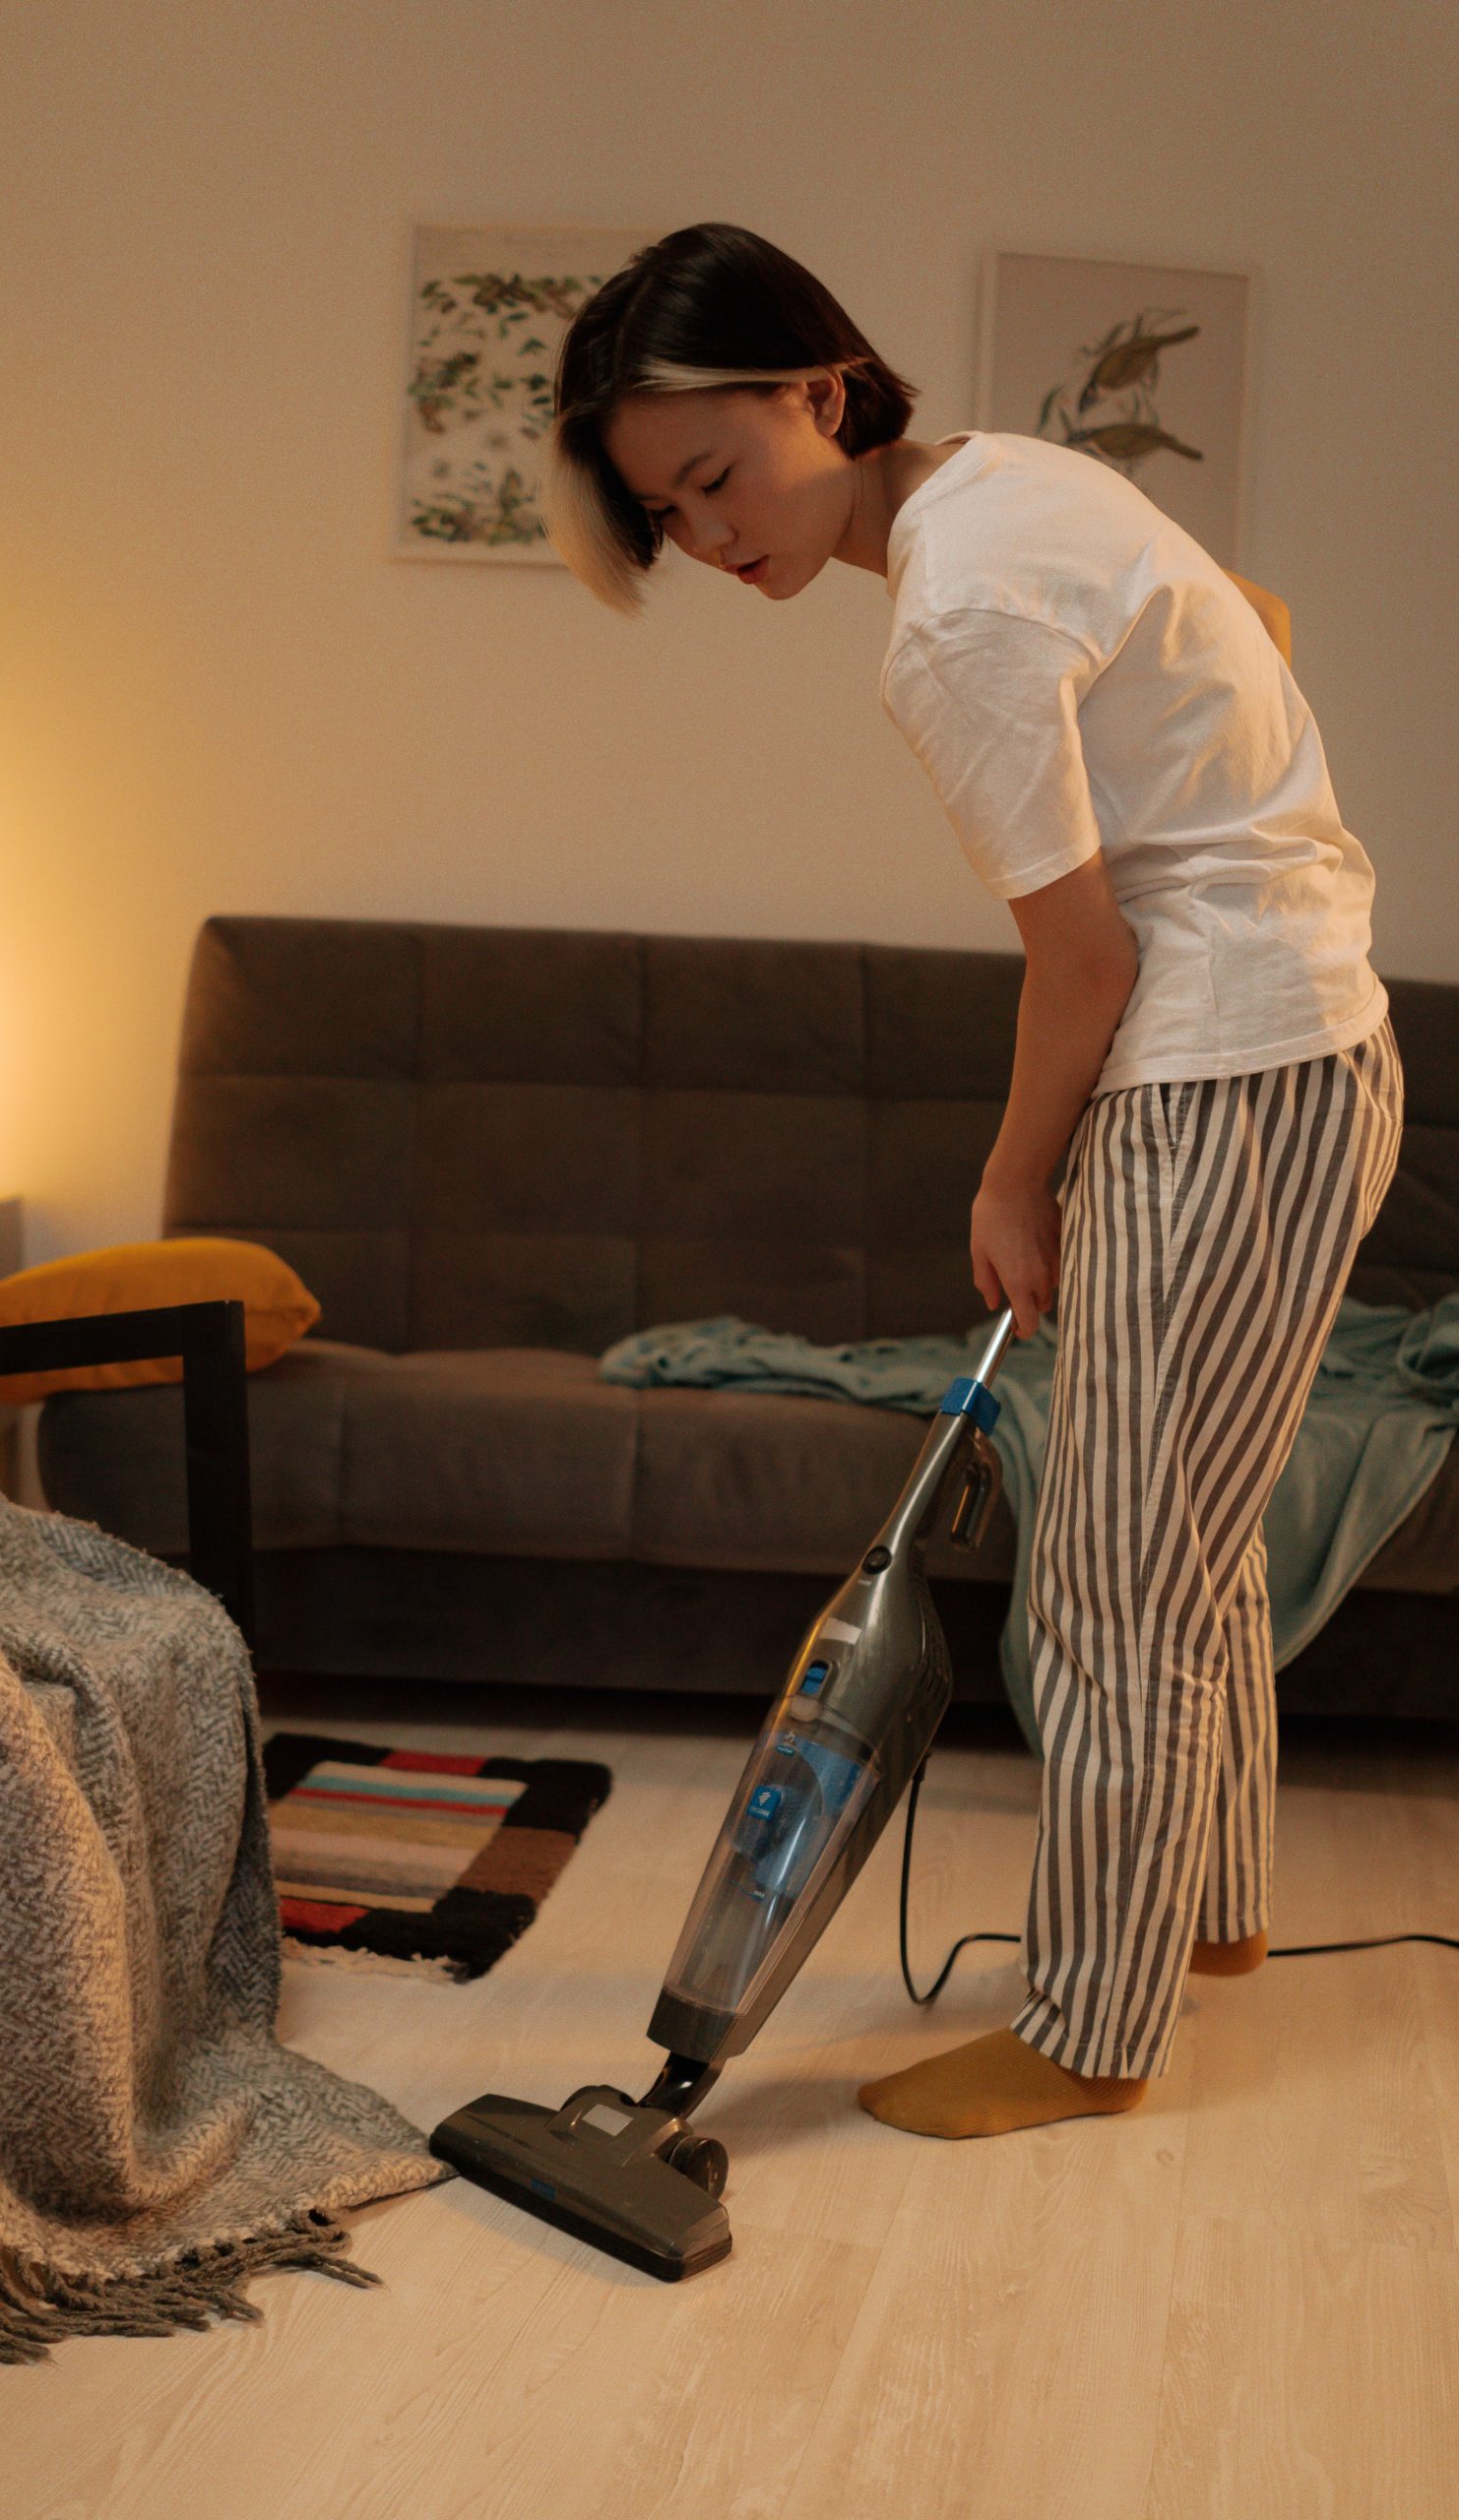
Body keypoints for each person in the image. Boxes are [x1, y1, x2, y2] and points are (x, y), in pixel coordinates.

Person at [539, 221, 1403, 2137]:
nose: (705, 534)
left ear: (820, 391)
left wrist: (1011, 1186)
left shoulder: (945, 617)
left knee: (1098, 1582)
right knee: (1183, 1548)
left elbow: (1080, 959)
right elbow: (1242, 613)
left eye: (717, 477)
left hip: (1221, 1073)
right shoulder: (1020, 484)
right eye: (662, 512)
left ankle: (1087, 2031)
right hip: (1305, 1043)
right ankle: (1209, 1916)